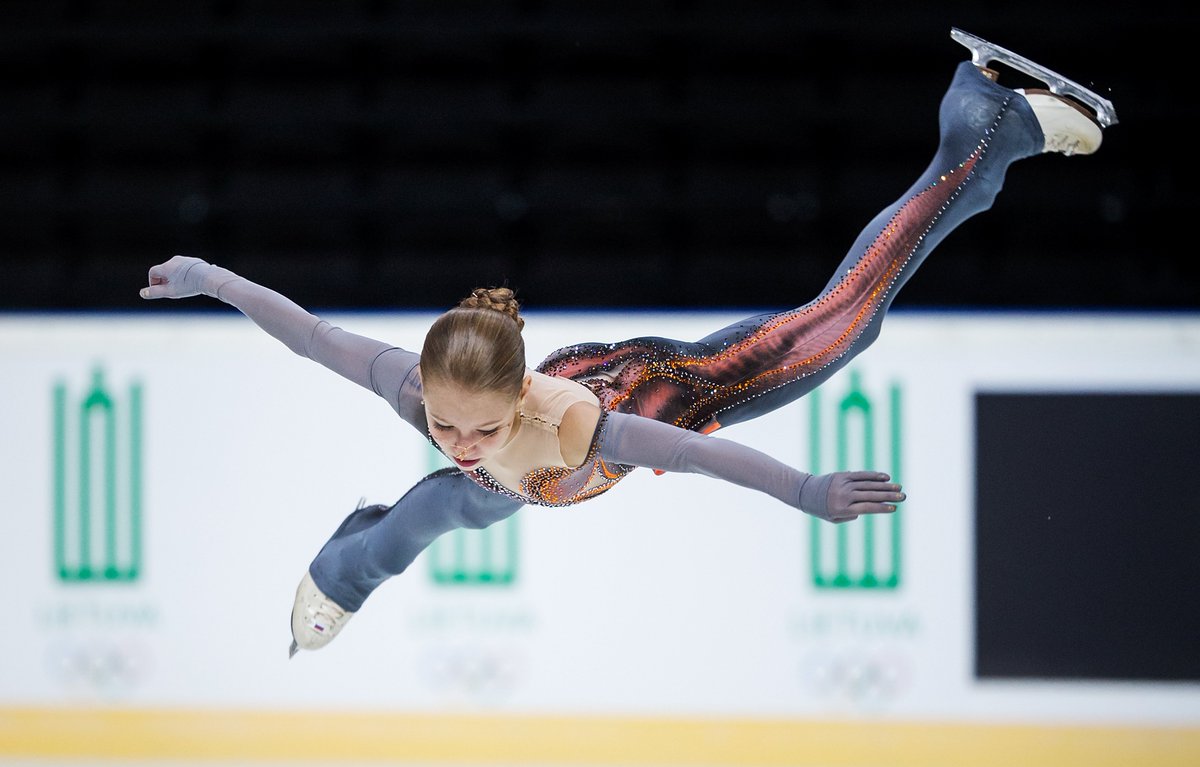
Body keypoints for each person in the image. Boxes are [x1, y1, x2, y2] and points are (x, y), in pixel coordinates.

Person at [139, 28, 1116, 657]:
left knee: (838, 326)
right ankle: (341, 570)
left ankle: (982, 133)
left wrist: (808, 490)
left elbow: (693, 449)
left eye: (474, 429)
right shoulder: (425, 394)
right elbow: (310, 335)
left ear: (515, 400)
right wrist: (210, 279)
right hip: (549, 448)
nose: (457, 440)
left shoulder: (577, 427)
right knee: (442, 508)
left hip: (650, 391)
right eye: (443, 424)